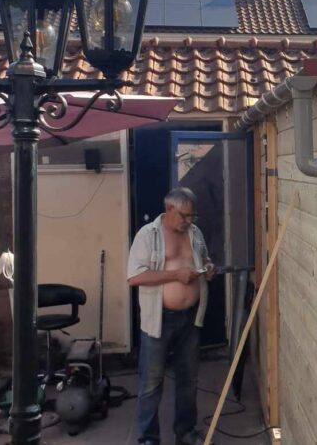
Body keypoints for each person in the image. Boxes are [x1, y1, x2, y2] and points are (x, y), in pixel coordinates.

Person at [128, 187, 217, 445]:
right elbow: (135, 276)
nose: (189, 221)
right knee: (151, 384)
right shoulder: (148, 235)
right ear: (169, 209)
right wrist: (175, 276)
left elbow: (204, 260)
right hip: (159, 320)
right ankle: (147, 439)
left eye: (192, 216)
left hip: (191, 319)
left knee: (188, 380)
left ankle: (186, 433)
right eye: (185, 216)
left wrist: (208, 268)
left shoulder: (195, 233)